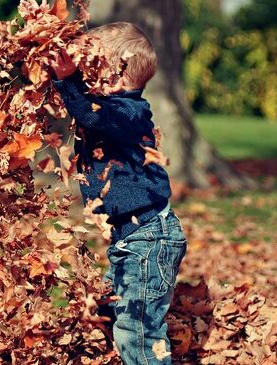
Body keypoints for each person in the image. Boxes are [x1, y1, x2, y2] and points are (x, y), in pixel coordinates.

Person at [49, 22, 188, 365]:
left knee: (138, 330)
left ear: (117, 73)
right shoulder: (113, 110)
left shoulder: (129, 112)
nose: (84, 76)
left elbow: (92, 118)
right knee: (109, 309)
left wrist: (67, 81)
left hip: (148, 239)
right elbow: (85, 109)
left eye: (91, 68)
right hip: (130, 240)